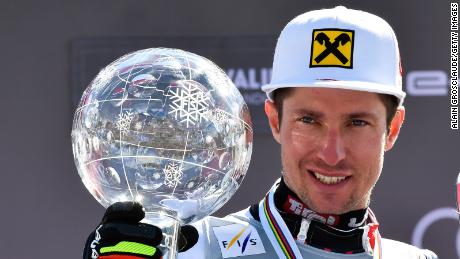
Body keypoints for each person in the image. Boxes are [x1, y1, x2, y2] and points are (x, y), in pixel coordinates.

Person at [83, 6, 438, 259]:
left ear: (392, 129)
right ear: (274, 120)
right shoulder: (193, 249)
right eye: (309, 121)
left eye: (357, 122)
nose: (332, 154)